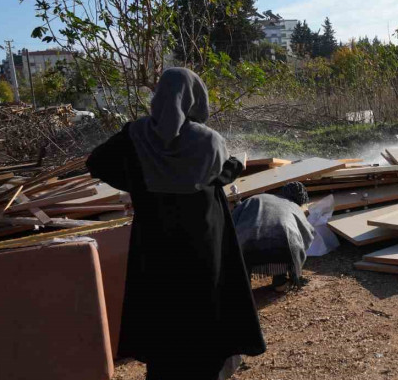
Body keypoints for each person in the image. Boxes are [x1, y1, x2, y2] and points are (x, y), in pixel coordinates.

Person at [87, 68, 266, 379]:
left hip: (155, 248)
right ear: (196, 99)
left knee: (163, 318)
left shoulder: (134, 135)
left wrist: (138, 183)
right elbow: (217, 179)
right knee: (205, 317)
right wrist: (238, 164)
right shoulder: (209, 141)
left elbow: (96, 163)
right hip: (203, 248)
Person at [232, 182, 315, 292]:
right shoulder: (294, 206)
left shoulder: (256, 198)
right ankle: (280, 281)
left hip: (247, 248)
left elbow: (232, 219)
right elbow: (308, 232)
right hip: (282, 251)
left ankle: (245, 284)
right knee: (285, 240)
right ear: (300, 201)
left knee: (244, 242)